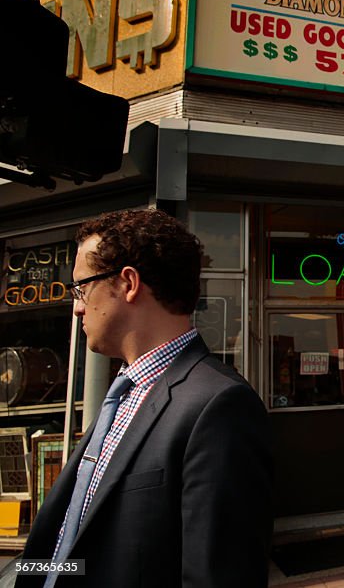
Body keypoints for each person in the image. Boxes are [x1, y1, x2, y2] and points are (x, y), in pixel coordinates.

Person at [17, 209, 272, 587]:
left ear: (128, 284)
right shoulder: (124, 393)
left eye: (81, 288)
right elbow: (73, 546)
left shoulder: (219, 407)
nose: (76, 307)